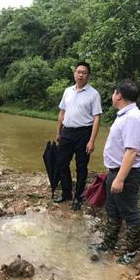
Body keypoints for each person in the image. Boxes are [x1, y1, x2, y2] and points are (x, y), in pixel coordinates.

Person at [97, 80, 140, 264]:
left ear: (118, 95)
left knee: (129, 212)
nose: (112, 95)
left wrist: (119, 178)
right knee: (113, 210)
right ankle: (108, 244)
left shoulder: (133, 117)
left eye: (113, 92)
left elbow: (131, 151)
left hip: (127, 174)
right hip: (116, 172)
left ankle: (132, 253)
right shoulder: (124, 115)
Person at [55, 62, 102, 211]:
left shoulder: (94, 94)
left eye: (84, 72)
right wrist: (58, 132)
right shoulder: (67, 91)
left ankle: (78, 198)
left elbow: (96, 118)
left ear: (88, 75)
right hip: (67, 132)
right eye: (78, 72)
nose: (81, 74)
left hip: (84, 133)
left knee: (81, 167)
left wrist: (91, 140)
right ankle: (67, 193)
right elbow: (62, 113)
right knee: (62, 164)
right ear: (74, 73)